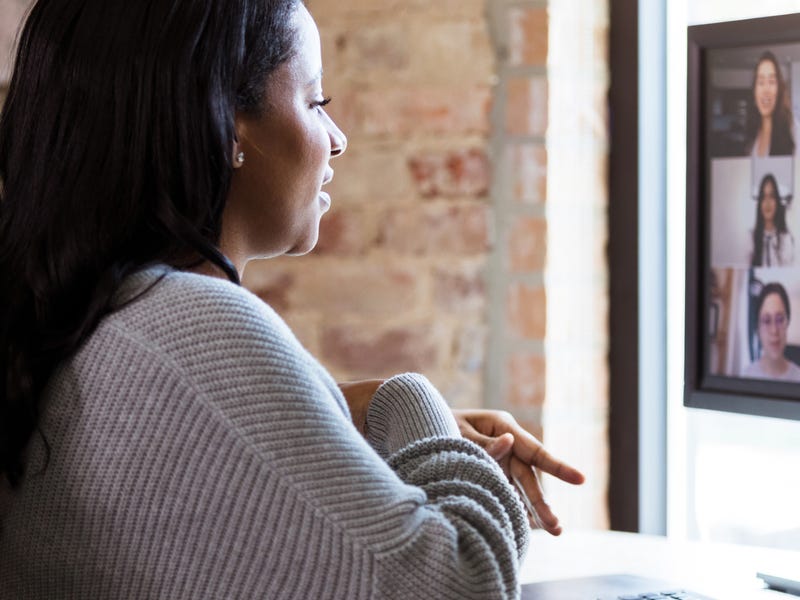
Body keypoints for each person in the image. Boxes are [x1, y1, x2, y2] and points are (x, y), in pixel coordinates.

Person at [0, 1, 584, 598]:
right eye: (315, 101)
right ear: (227, 121)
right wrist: (408, 400)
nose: (337, 140)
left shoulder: (75, 317)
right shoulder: (193, 323)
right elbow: (462, 582)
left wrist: (332, 408)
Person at [742, 283, 800, 381]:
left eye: (780, 319)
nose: (774, 331)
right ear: (758, 328)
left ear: (787, 322)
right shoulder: (745, 377)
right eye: (766, 321)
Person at [746, 51, 795, 157]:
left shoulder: (793, 132)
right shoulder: (753, 134)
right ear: (754, 91)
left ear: (779, 90)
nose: (766, 90)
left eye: (771, 81)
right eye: (761, 82)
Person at [750, 173, 794, 267]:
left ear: (777, 202)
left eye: (771, 196)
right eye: (763, 197)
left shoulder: (786, 239)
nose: (767, 203)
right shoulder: (750, 238)